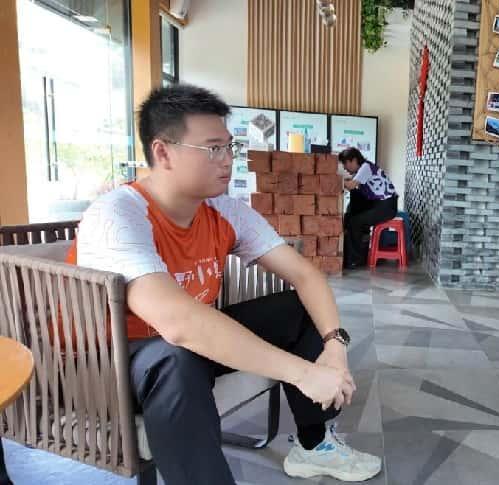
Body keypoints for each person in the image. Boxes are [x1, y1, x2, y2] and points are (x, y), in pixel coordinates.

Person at [67, 84, 381, 484]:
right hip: (109, 361)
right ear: (163, 152)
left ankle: (314, 446)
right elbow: (178, 323)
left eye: (230, 147)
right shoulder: (117, 215)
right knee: (174, 361)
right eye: (213, 149)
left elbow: (306, 275)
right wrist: (303, 373)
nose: (228, 159)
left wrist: (335, 347)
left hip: (185, 348)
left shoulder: (222, 209)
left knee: (295, 308)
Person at [339, 147, 398, 269]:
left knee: (355, 222)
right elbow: (352, 183)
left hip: (386, 207)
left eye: (345, 163)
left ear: (354, 160)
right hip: (379, 204)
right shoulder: (362, 169)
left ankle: (355, 260)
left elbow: (351, 185)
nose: (344, 167)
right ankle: (353, 254)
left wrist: (334, 179)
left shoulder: (365, 168)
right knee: (349, 216)